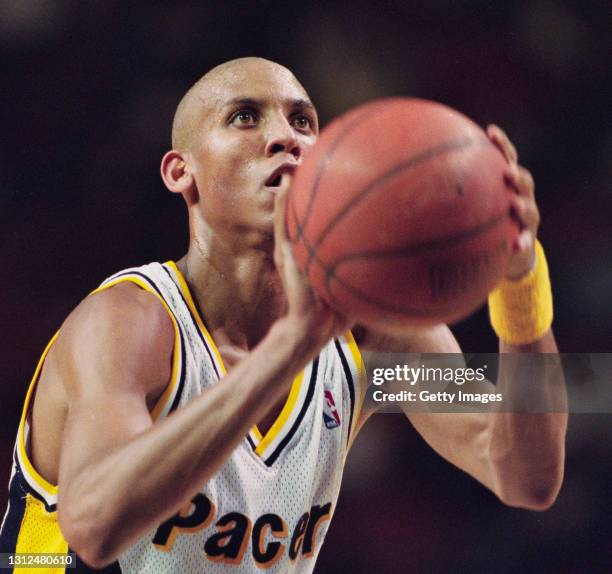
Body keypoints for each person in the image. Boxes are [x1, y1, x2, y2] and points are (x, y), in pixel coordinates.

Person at [0, 57, 566, 573]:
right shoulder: (130, 323)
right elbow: (94, 526)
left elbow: (522, 473)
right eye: (245, 117)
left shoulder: (376, 340)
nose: (284, 139)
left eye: (303, 122)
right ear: (180, 172)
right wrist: (289, 348)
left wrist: (520, 287)